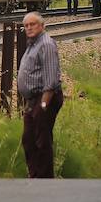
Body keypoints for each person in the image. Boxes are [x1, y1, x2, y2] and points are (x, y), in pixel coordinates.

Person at [17, 12, 64, 178]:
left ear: (42, 26)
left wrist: (43, 105)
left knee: (41, 140)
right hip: (34, 100)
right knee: (29, 139)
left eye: (33, 24)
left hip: (45, 98)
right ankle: (35, 175)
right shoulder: (33, 43)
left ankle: (44, 179)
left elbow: (51, 79)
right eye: (26, 25)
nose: (29, 28)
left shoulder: (46, 44)